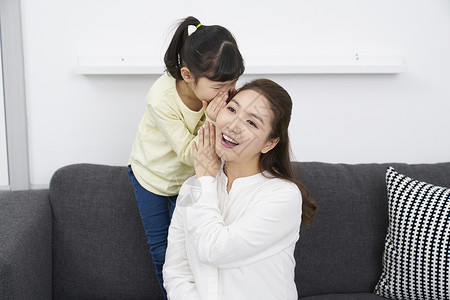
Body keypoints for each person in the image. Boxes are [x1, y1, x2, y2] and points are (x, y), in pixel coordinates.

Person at [163, 79, 318, 299]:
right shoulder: (193, 187)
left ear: (270, 143)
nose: (233, 126)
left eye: (252, 123)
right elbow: (176, 271)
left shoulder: (283, 196)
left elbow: (213, 249)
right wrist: (204, 179)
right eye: (232, 109)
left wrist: (205, 179)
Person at [127, 16, 244, 298]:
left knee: (195, 247)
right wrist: (214, 120)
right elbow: (187, 154)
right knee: (163, 252)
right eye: (219, 87)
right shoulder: (161, 97)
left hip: (191, 180)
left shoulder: (219, 92)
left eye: (233, 84)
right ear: (188, 75)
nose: (227, 94)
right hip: (151, 178)